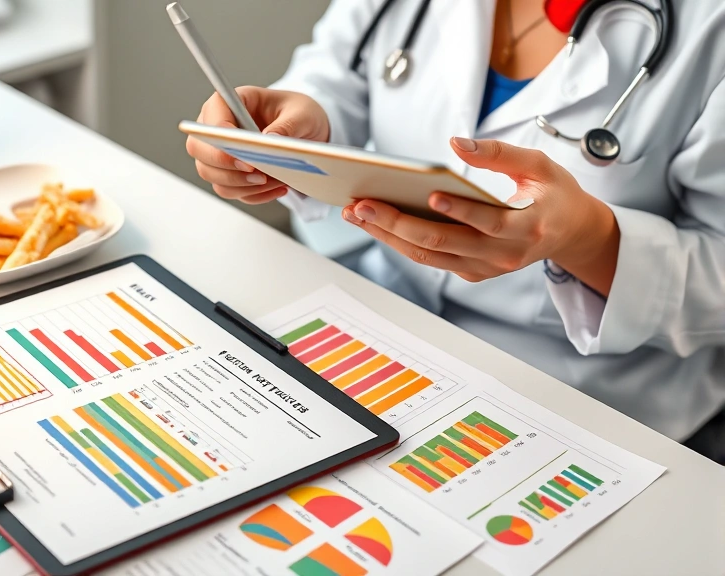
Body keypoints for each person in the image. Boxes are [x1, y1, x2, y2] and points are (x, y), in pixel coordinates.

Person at [185, 0, 725, 463]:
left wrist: (587, 239)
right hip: (386, 326)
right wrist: (303, 123)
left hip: (586, 403)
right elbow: (336, 70)